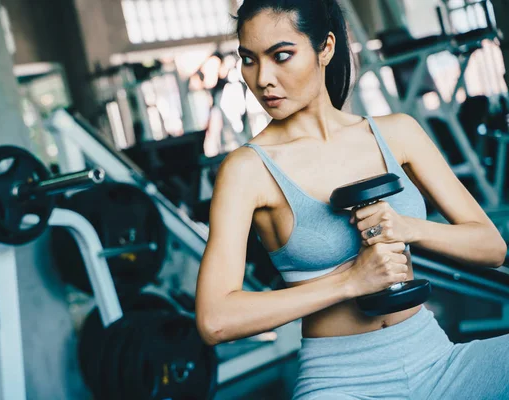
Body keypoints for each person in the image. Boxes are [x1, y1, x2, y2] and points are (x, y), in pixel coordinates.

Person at [194, 0, 509, 399]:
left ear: (325, 48)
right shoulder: (246, 170)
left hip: (437, 361)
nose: (263, 79)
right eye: (249, 60)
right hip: (340, 383)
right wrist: (350, 281)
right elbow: (214, 319)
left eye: (281, 56)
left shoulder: (398, 133)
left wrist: (409, 227)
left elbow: (492, 247)